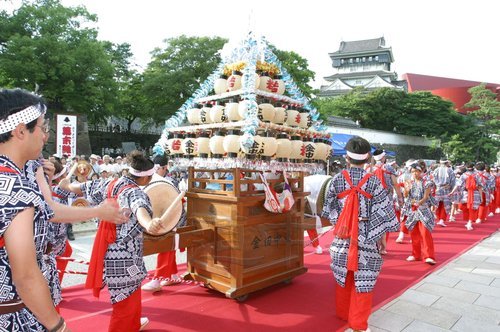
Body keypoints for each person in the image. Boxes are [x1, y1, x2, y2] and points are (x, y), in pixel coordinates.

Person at [59, 150, 162, 332]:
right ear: (146, 178)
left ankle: (133, 324)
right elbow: (140, 210)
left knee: (127, 300)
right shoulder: (135, 192)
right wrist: (149, 224)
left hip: (108, 250)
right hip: (125, 257)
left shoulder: (110, 182)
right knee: (125, 304)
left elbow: (79, 188)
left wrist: (66, 184)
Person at [0, 88, 71, 330]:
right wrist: (58, 326)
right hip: (12, 317)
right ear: (20, 131)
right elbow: (26, 276)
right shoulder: (15, 188)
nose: (44, 136)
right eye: (41, 128)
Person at [321, 136, 399, 332]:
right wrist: (381, 239)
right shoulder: (373, 182)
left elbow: (327, 210)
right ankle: (358, 324)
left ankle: (343, 312)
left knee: (343, 275)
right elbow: (383, 212)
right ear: (367, 159)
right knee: (364, 280)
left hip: (342, 238)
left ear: (346, 158)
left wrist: (341, 222)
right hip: (366, 237)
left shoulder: (337, 180)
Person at [142, 153, 186, 292]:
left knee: (166, 247)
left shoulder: (167, 181)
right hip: (155, 219)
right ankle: (171, 274)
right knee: (167, 247)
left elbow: (179, 202)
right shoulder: (160, 181)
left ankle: (158, 279)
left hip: (170, 220)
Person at [401, 161, 437, 265]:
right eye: (413, 172)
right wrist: (406, 190)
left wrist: (418, 203)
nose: (415, 173)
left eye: (417, 171)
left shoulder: (427, 182)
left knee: (425, 233)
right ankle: (415, 254)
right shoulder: (409, 182)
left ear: (421, 171)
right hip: (412, 210)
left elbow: (426, 197)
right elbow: (406, 196)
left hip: (423, 210)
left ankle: (428, 256)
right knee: (414, 233)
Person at [369, 149, 404, 253]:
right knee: (384, 222)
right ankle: (383, 247)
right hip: (386, 198)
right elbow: (395, 184)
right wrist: (400, 198)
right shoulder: (388, 168)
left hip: (373, 199)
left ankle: (375, 245)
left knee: (374, 221)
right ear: (383, 158)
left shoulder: (370, 169)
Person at [432, 159, 456, 227]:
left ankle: (440, 219)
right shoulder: (450, 170)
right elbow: (453, 181)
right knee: (446, 205)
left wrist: (435, 187)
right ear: (446, 163)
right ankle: (442, 219)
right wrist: (452, 189)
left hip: (438, 189)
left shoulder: (436, 170)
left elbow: (433, 179)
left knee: (438, 205)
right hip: (446, 189)